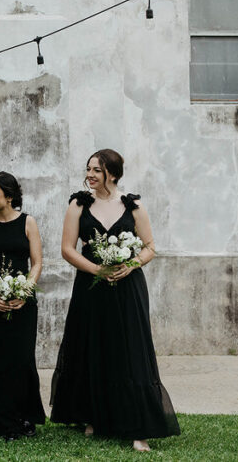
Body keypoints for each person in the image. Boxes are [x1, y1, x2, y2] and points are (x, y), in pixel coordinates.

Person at [50, 149, 179, 452]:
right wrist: (97, 269)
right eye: (89, 169)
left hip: (127, 288)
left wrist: (129, 265)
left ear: (113, 174)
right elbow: (67, 249)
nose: (90, 175)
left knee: (131, 350)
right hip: (90, 287)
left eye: (97, 170)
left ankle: (139, 427)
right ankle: (93, 415)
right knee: (92, 346)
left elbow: (149, 247)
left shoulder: (133, 206)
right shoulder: (78, 205)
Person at [0, 171, 45, 441]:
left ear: (9, 196)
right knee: (0, 359)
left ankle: (25, 418)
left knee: (22, 358)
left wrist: (24, 291)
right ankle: (1, 422)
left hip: (24, 300)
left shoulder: (28, 222)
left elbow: (36, 262)